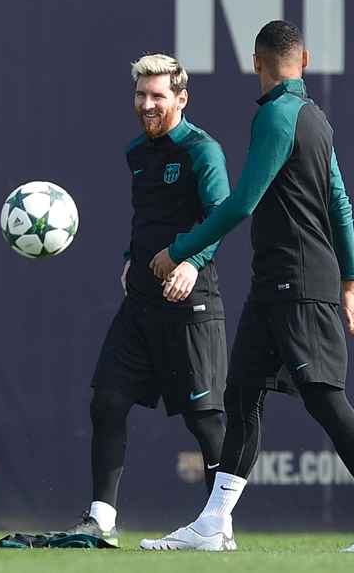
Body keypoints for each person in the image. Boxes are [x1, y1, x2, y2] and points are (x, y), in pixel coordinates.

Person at [140, 20, 354, 552]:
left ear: (256, 63)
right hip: (275, 284)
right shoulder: (315, 117)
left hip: (298, 281)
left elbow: (242, 202)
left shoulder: (278, 116)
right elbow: (340, 204)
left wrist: (178, 250)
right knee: (241, 395)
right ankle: (214, 524)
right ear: (305, 61)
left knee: (324, 398)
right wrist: (352, 280)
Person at [52, 54, 230, 548]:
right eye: (141, 95)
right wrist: (133, 256)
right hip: (142, 302)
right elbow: (148, 215)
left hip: (191, 301)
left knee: (205, 419)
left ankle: (219, 524)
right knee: (107, 402)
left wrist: (192, 263)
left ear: (180, 99)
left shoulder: (202, 151)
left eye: (158, 96)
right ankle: (102, 519)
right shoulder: (136, 151)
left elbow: (222, 213)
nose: (147, 104)